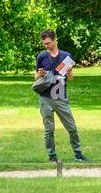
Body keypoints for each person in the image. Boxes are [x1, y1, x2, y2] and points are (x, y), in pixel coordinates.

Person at [34, 30, 90, 163]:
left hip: (60, 96)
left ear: (54, 40)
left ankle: (78, 154)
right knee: (49, 129)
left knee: (72, 128)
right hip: (45, 97)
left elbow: (70, 78)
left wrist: (69, 70)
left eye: (48, 43)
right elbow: (35, 77)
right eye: (44, 44)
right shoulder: (41, 57)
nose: (46, 46)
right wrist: (40, 74)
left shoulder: (66, 56)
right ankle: (52, 157)